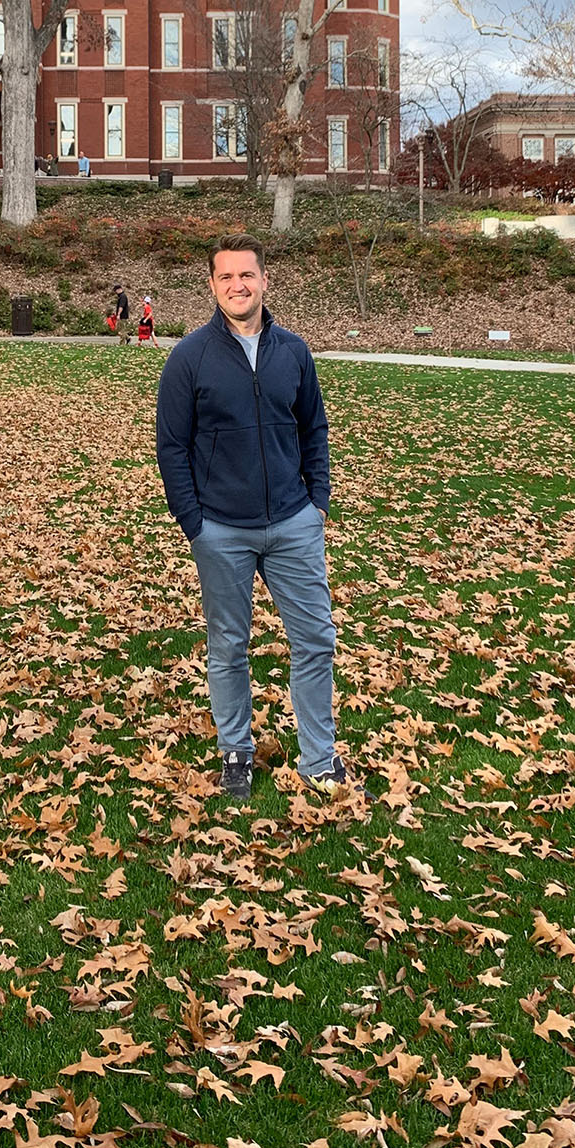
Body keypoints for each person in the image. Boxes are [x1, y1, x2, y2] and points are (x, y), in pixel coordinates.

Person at [156, 234, 344, 800]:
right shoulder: (190, 357)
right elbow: (172, 446)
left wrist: (317, 503)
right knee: (229, 645)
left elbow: (314, 428)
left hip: (293, 523)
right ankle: (236, 749)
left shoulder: (294, 351)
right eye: (225, 277)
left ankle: (319, 757)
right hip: (222, 530)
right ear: (212, 286)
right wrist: (195, 523)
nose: (238, 286)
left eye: (247, 275)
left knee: (314, 639)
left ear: (264, 280)